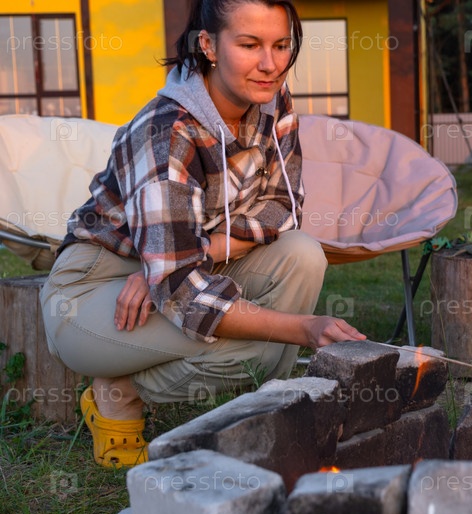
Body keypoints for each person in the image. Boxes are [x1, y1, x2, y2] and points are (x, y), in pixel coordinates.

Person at [39, 0, 365, 468]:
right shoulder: (166, 131)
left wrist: (186, 259)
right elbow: (180, 289)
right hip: (92, 289)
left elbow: (284, 206)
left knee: (303, 253)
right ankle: (120, 392)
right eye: (249, 45)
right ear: (208, 45)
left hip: (180, 261)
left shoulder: (271, 100)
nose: (270, 64)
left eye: (280, 45)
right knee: (263, 345)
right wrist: (304, 328)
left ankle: (231, 409)